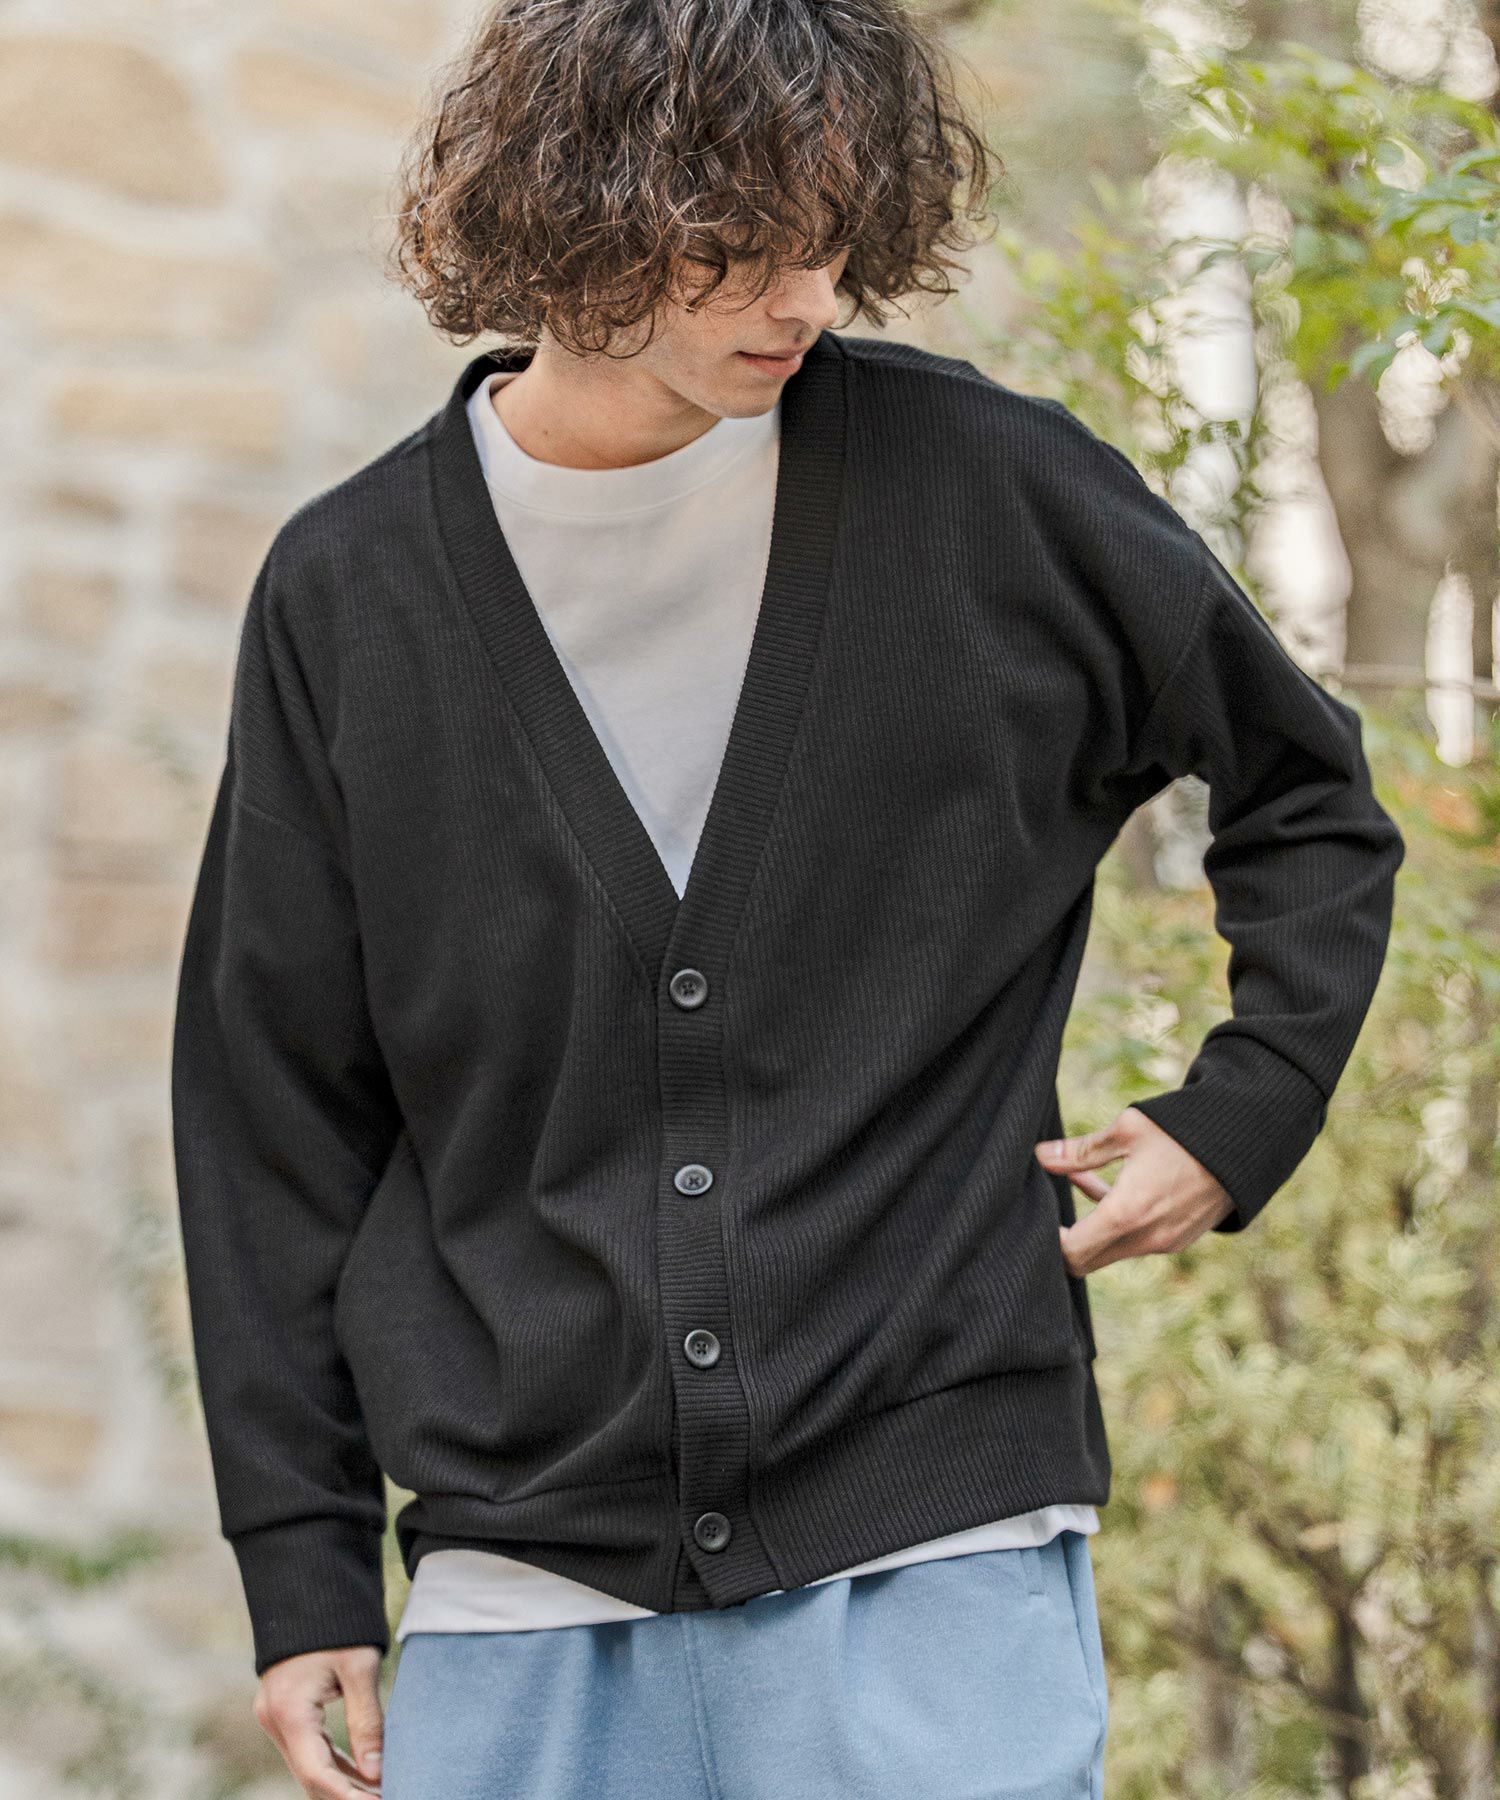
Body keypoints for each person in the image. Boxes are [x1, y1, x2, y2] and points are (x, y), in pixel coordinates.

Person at [168, 1, 1406, 1795]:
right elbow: (273, 1112)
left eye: (833, 236)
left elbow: (1307, 793)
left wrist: (1248, 1106)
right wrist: (300, 1567)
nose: (807, 297)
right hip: (522, 1576)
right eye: (739, 243)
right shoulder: (348, 595)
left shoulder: (987, 492)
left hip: (934, 1538)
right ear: (576, 203)